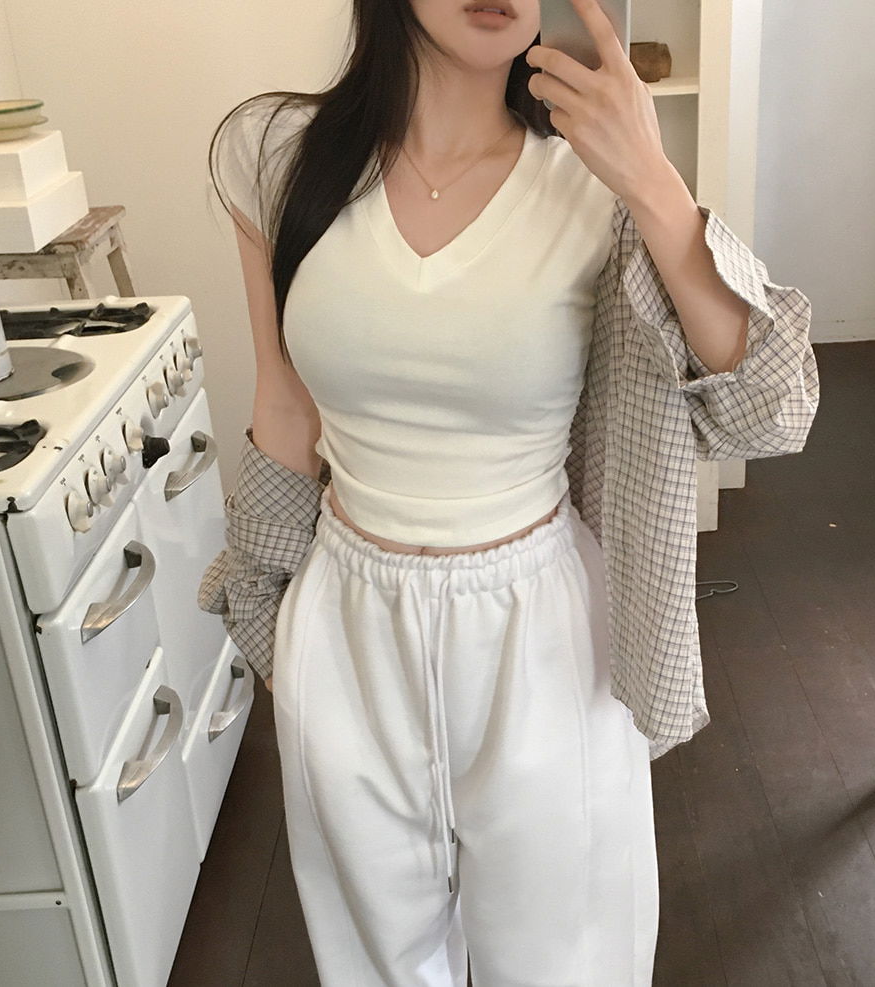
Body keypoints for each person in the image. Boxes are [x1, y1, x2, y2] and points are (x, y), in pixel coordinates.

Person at [198, 0, 820, 984]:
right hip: (344, 628)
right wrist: (272, 624)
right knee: (376, 965)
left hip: (541, 638)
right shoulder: (278, 158)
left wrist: (654, 185)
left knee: (565, 961)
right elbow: (282, 404)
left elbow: (774, 413)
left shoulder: (593, 188)